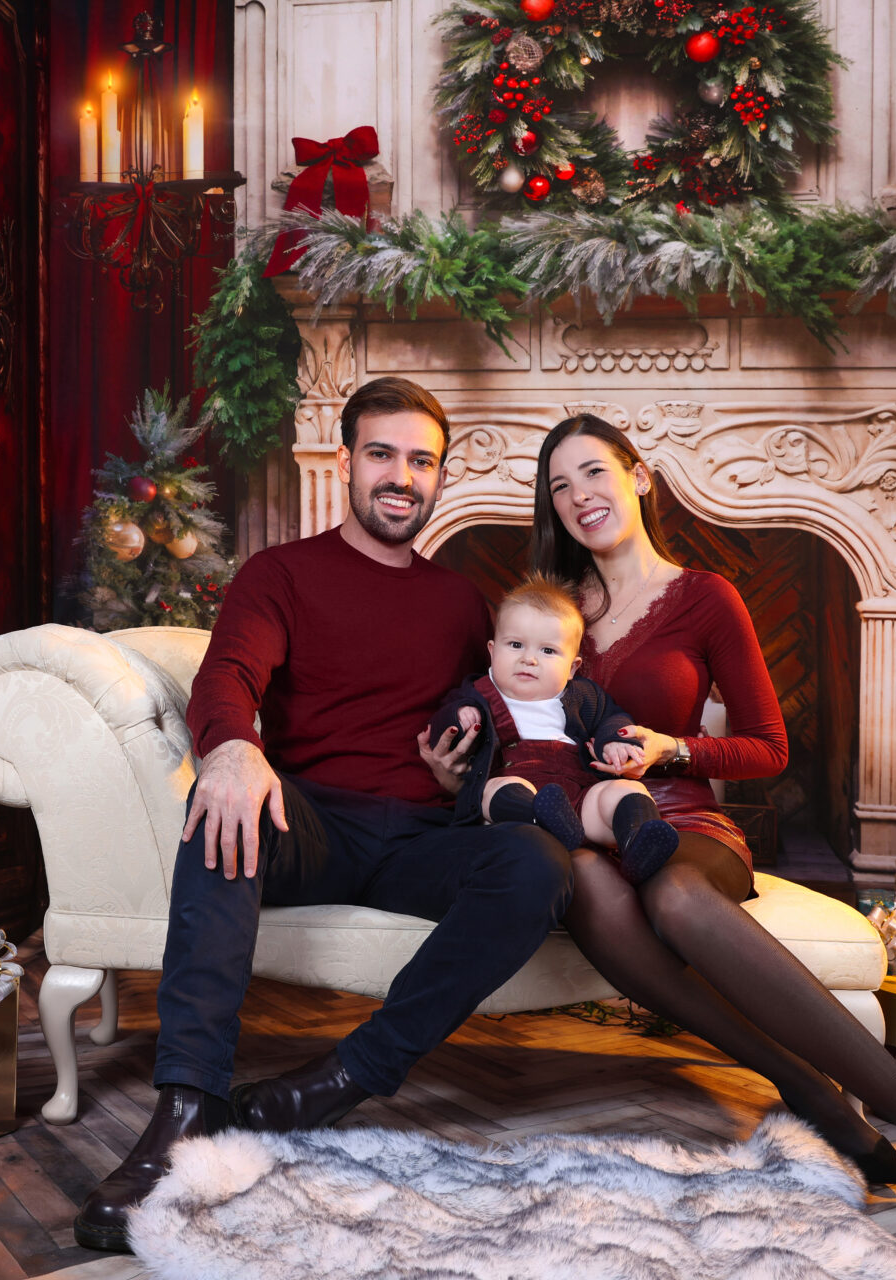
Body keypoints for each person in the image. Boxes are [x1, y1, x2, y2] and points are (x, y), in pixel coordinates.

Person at [74, 378, 575, 1255]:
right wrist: (231, 749)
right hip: (312, 822)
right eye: (382, 453)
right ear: (346, 461)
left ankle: (339, 1081)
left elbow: (499, 711)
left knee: (534, 866)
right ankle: (185, 1111)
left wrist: (465, 766)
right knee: (222, 801)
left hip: (423, 836)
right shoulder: (283, 573)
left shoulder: (463, 604)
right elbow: (227, 675)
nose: (401, 476)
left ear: (439, 478)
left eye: (422, 461)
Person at [529, 413, 896, 1247]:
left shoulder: (705, 597)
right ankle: (796, 1078)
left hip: (686, 822)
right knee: (583, 881)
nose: (580, 495)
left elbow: (769, 746)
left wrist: (673, 748)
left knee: (679, 897)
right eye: (560, 485)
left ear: (640, 476)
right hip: (590, 831)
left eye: (593, 472)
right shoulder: (553, 611)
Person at [425, 575, 680, 884]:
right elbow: (442, 723)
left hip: (580, 805)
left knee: (624, 790)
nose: (528, 659)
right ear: (492, 651)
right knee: (491, 791)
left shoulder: (582, 696)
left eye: (548, 651)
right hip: (519, 805)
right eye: (516, 645)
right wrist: (458, 716)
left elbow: (612, 718)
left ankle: (638, 843)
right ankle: (541, 818)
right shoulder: (478, 694)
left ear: (572, 667)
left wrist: (613, 741)